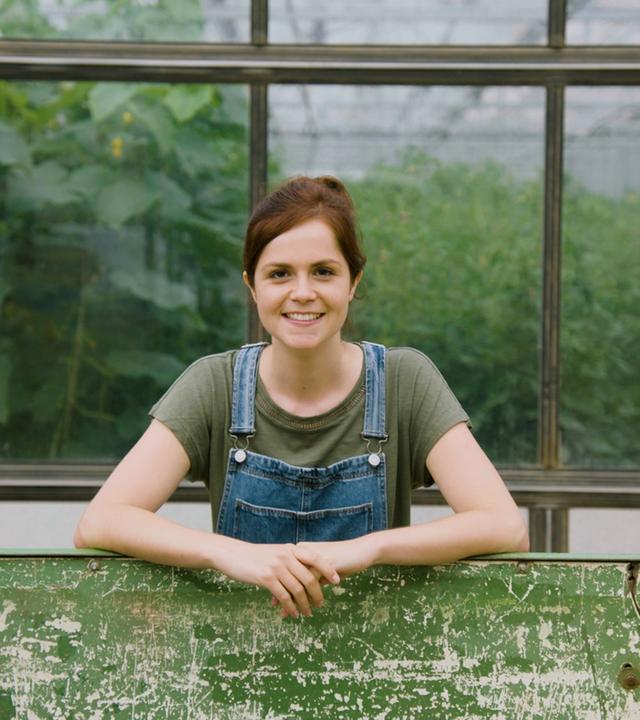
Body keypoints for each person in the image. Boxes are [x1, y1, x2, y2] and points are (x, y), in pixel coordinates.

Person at [74, 175, 529, 619]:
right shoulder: (214, 385)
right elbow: (102, 521)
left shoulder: (404, 381)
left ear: (353, 281)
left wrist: (371, 548)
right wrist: (224, 552)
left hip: (380, 656)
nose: (303, 293)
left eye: (324, 272)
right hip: (241, 655)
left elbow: (504, 526)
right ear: (252, 287)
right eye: (279, 274)